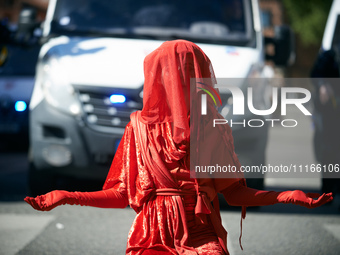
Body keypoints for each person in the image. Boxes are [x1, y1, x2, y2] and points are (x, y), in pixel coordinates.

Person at [25, 40, 333, 255]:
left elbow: (234, 192)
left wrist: (286, 195)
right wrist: (68, 196)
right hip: (151, 239)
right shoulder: (139, 128)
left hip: (201, 238)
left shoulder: (213, 130)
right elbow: (122, 194)